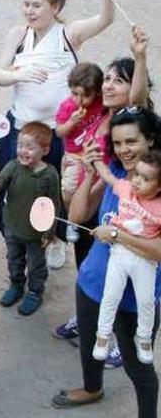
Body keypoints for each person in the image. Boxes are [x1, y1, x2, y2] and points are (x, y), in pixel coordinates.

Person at [51, 108, 161, 418]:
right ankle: (92, 388)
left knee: (138, 365)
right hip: (93, 280)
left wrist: (118, 235)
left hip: (135, 296)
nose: (124, 150)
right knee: (89, 344)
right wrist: (90, 175)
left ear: (150, 140)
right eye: (118, 142)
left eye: (132, 142)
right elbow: (76, 216)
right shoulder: (113, 171)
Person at [52, 27, 151, 364]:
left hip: (122, 207)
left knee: (126, 270)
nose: (108, 85)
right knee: (88, 259)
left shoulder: (134, 120)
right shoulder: (99, 111)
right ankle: (87, 316)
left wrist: (139, 58)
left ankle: (122, 342)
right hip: (97, 197)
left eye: (118, 81)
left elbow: (138, 99)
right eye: (107, 79)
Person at [0, 0, 114, 234]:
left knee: (54, 188)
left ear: (55, 7)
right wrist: (19, 74)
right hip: (22, 128)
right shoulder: (18, 34)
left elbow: (106, 19)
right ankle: (14, 235)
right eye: (26, 4)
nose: (29, 11)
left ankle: (53, 238)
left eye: (36, 5)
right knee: (15, 184)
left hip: (58, 130)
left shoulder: (68, 34)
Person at [89, 150, 161, 364]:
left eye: (146, 179)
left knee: (146, 302)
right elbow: (109, 177)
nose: (137, 181)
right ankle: (102, 336)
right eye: (137, 174)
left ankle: (145, 338)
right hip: (119, 254)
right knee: (110, 296)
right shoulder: (127, 189)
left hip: (144, 261)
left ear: (158, 187)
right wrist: (96, 160)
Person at [0, 122, 62, 315]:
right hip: (12, 225)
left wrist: (49, 231)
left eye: (30, 147)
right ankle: (16, 284)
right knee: (14, 259)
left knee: (36, 264)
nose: (23, 151)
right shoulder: (13, 166)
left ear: (45, 150)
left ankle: (35, 291)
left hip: (36, 232)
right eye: (20, 145)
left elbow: (54, 204)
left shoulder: (50, 174)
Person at [55, 63, 105, 242]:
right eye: (75, 94)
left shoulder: (102, 103)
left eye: (86, 95)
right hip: (74, 155)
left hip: (95, 151)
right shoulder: (68, 107)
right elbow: (59, 132)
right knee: (69, 188)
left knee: (94, 188)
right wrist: (71, 122)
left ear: (97, 92)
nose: (80, 100)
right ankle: (72, 220)